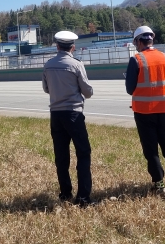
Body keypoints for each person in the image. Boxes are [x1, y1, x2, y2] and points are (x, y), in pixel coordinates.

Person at [124, 25, 165, 196]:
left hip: (143, 111)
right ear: (151, 39)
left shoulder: (137, 59)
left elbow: (130, 89)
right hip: (162, 109)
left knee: (151, 149)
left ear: (138, 41)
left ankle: (158, 183)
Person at [42, 30, 94, 206]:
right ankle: (83, 197)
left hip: (55, 114)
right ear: (73, 47)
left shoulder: (48, 65)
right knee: (83, 153)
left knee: (61, 156)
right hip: (73, 113)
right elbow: (87, 92)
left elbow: (46, 89)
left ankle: (65, 193)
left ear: (57, 46)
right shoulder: (77, 65)